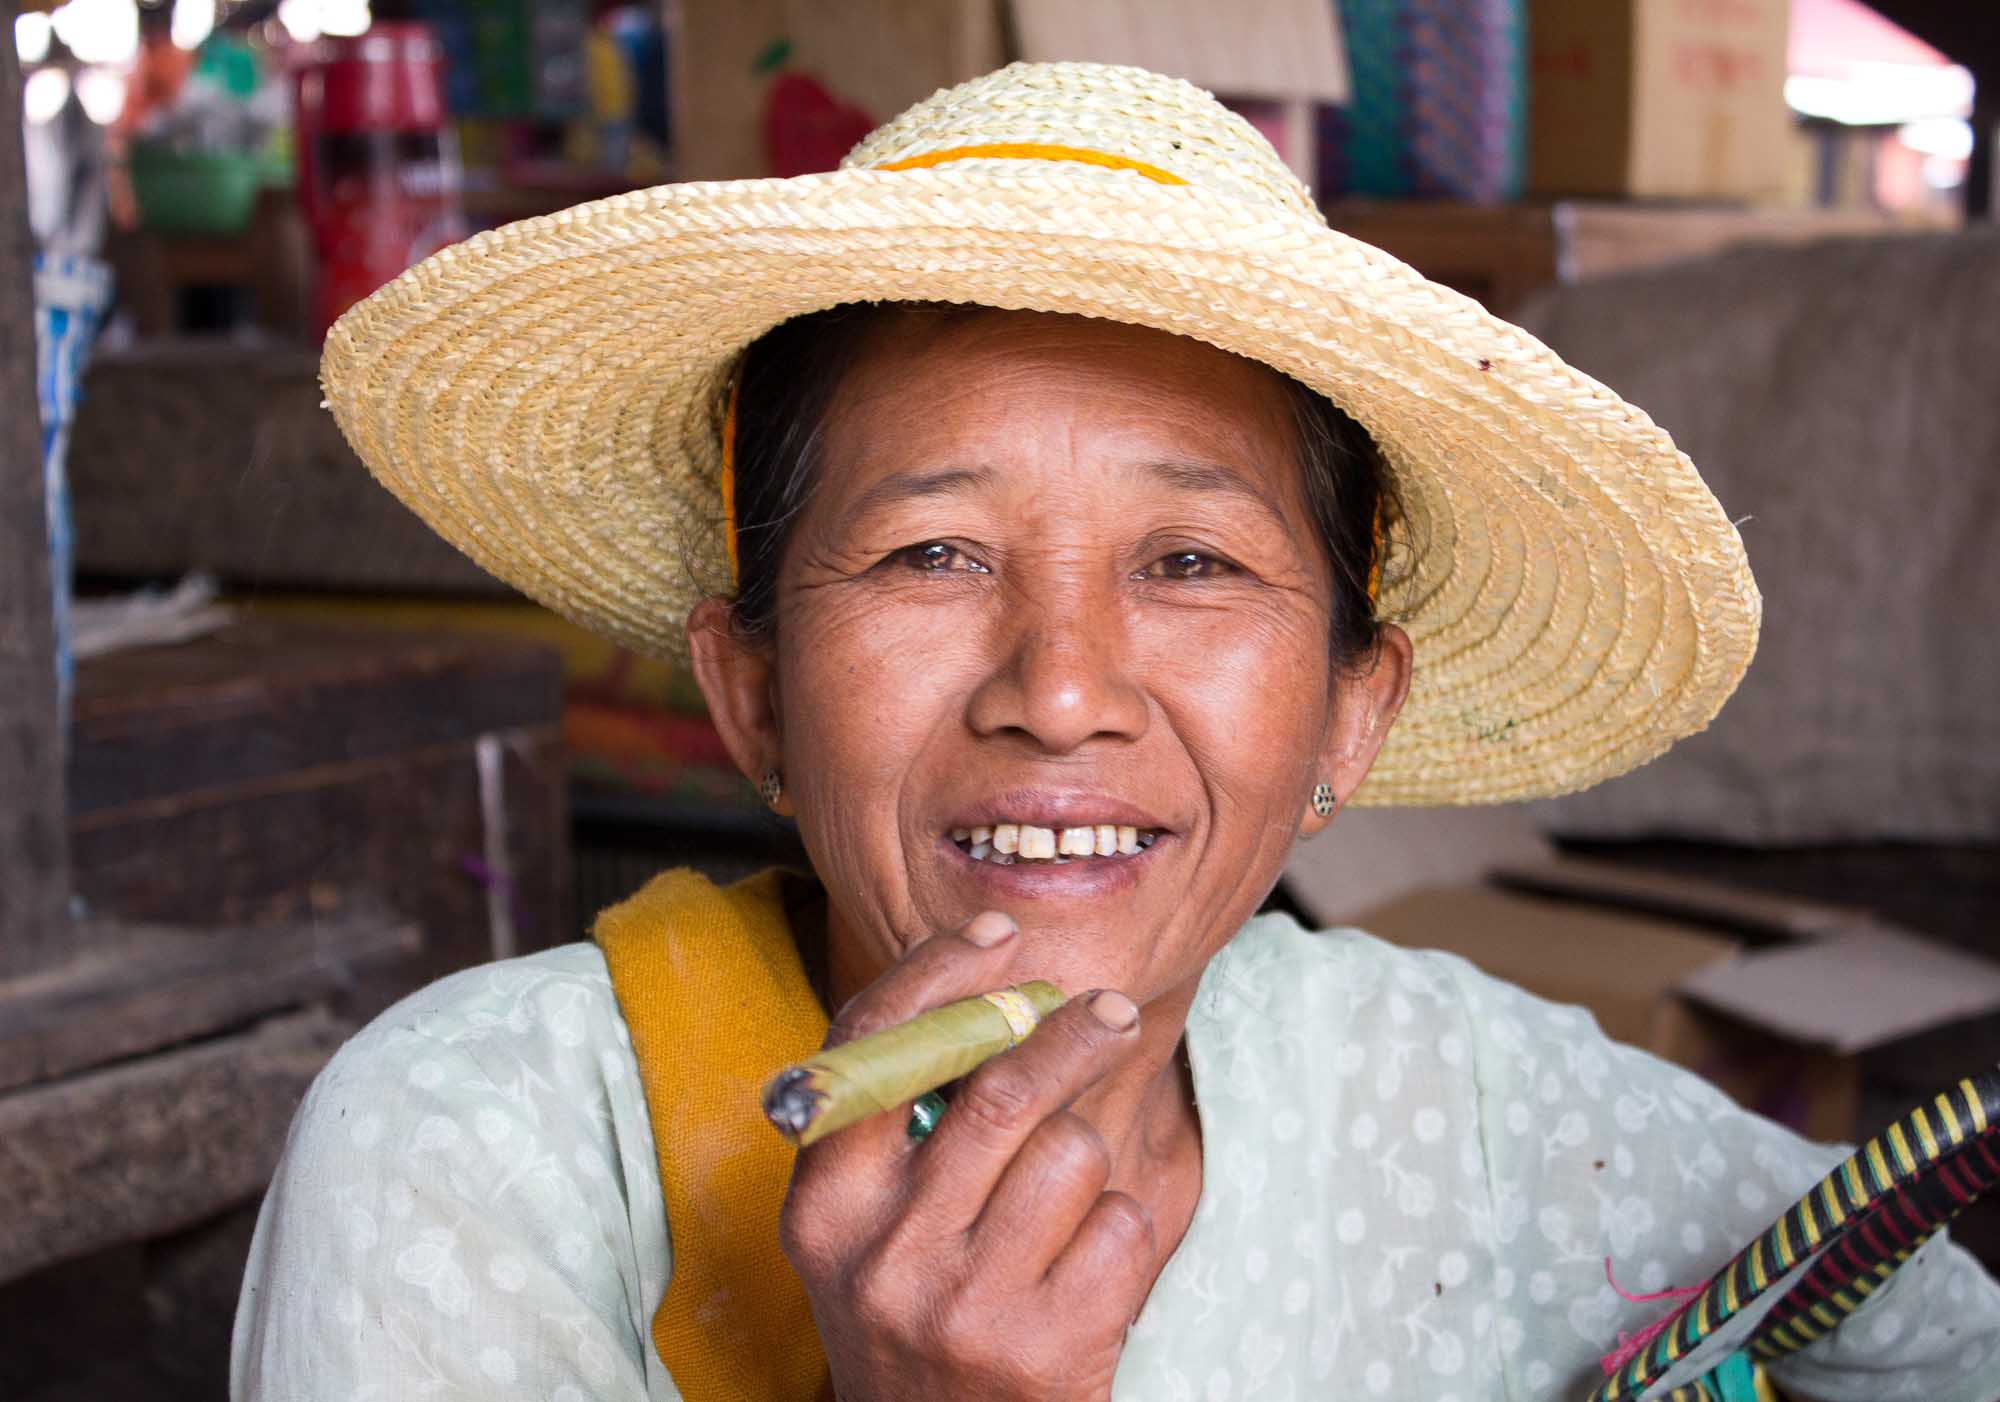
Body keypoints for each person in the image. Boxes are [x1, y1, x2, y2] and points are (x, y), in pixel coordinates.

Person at [230, 62, 2000, 1401]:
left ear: (1350, 712)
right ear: (752, 688)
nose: (1062, 687)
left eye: (1191, 561)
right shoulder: (484, 1154)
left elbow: (1929, 1322)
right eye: (932, 554)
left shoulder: (1468, 1102)